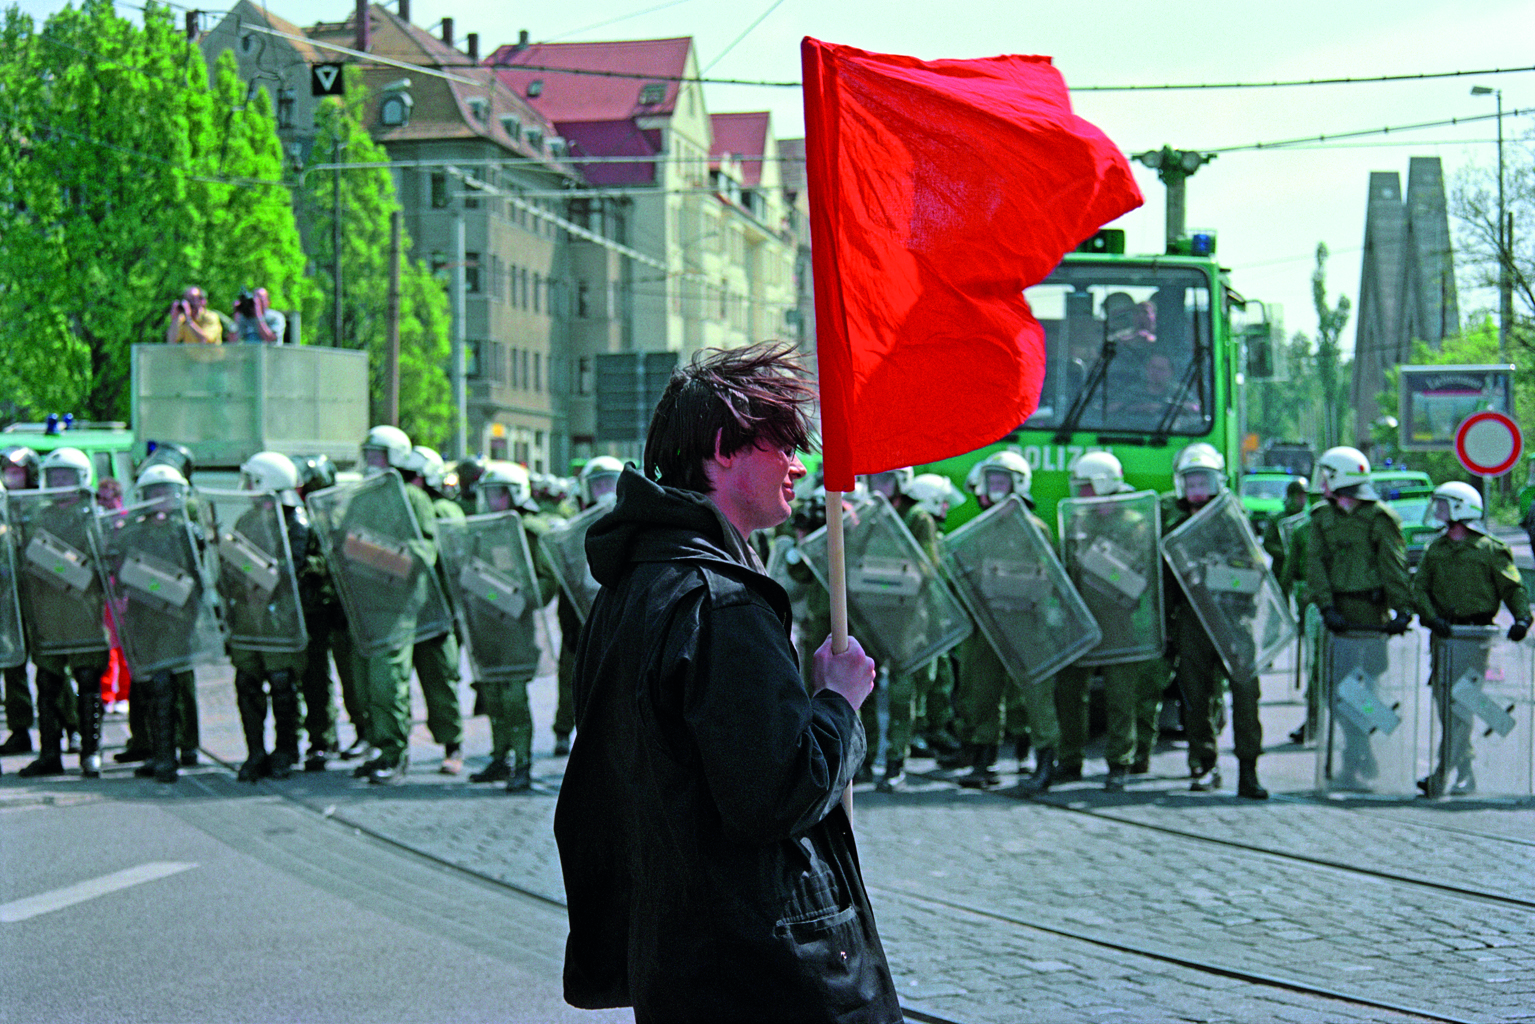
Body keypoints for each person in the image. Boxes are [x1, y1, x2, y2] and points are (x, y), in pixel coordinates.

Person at [554, 343, 899, 1022]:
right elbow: (775, 794)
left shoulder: (633, 581)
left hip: (680, 948)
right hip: (761, 964)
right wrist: (838, 702)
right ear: (723, 449)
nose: (800, 466)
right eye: (783, 445)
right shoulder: (720, 601)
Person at [1054, 451, 1167, 791]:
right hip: (1082, 621)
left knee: (1121, 697)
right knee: (1070, 692)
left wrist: (1102, 565)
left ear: (1103, 486)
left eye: (1086, 488)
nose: (1080, 494)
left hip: (1121, 623)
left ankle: (1120, 761)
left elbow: (1140, 578)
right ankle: (1070, 758)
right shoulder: (1077, 522)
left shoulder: (1135, 523)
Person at [950, 450, 1062, 792]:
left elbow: (1051, 579)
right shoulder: (981, 529)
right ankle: (985, 760)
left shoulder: (1035, 528)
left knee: (1036, 694)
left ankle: (1045, 760)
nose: (995, 487)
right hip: (988, 621)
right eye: (992, 480)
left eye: (1002, 480)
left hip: (1026, 621)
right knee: (983, 691)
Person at [1161, 443, 1268, 799]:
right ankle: (1203, 764)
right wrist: (1166, 630)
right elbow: (1165, 583)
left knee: (1245, 694)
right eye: (1189, 482)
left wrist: (1216, 575)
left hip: (1232, 620)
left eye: (1203, 481)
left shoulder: (1234, 522)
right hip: (1191, 623)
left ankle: (1248, 769)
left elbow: (1257, 571)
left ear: (1217, 482)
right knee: (1194, 697)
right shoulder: (1174, 527)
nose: (1196, 490)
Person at [1412, 481, 1531, 797]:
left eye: (1443, 505)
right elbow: (1419, 589)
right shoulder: (1435, 550)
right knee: (1447, 709)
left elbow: (1512, 588)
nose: (1437, 511)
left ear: (1460, 508)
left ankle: (1440, 776)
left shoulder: (1490, 550)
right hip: (1444, 638)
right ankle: (1467, 774)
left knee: (1460, 707)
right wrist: (1430, 616)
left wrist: (1522, 618)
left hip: (1473, 639)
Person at [1305, 446, 1413, 789]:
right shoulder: (1322, 517)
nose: (1321, 483)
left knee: (1359, 689)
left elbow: (1393, 566)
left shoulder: (1380, 518)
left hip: (1371, 613)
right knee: (1337, 692)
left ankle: (1359, 755)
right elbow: (1316, 566)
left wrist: (1403, 609)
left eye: (1326, 476)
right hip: (1339, 615)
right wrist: (1326, 606)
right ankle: (1361, 754)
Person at [464, 461, 559, 792]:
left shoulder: (532, 530)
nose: (493, 501)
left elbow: (547, 581)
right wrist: (487, 594)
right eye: (489, 494)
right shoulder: (482, 528)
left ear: (515, 494)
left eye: (499, 494)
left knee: (514, 698)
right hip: (487, 626)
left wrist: (512, 600)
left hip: (518, 630)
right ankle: (499, 757)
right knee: (491, 694)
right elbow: (469, 571)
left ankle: (522, 762)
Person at [15, 448, 104, 779]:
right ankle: (49, 752)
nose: (59, 483)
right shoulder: (39, 516)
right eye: (54, 477)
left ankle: (90, 753)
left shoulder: (91, 516)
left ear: (81, 478)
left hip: (84, 613)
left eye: (66, 476)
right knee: (47, 683)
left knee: (87, 682)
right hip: (48, 613)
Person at [223, 453, 311, 782]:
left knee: (282, 683)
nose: (246, 487)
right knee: (247, 681)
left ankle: (286, 750)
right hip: (248, 616)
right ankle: (255, 752)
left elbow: (292, 570)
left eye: (252, 480)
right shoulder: (247, 520)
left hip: (279, 618)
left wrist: (255, 569)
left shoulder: (295, 522)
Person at [404, 446, 465, 775]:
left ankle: (453, 746)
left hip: (436, 609)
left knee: (441, 682)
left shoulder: (443, 510)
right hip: (401, 609)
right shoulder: (395, 505)